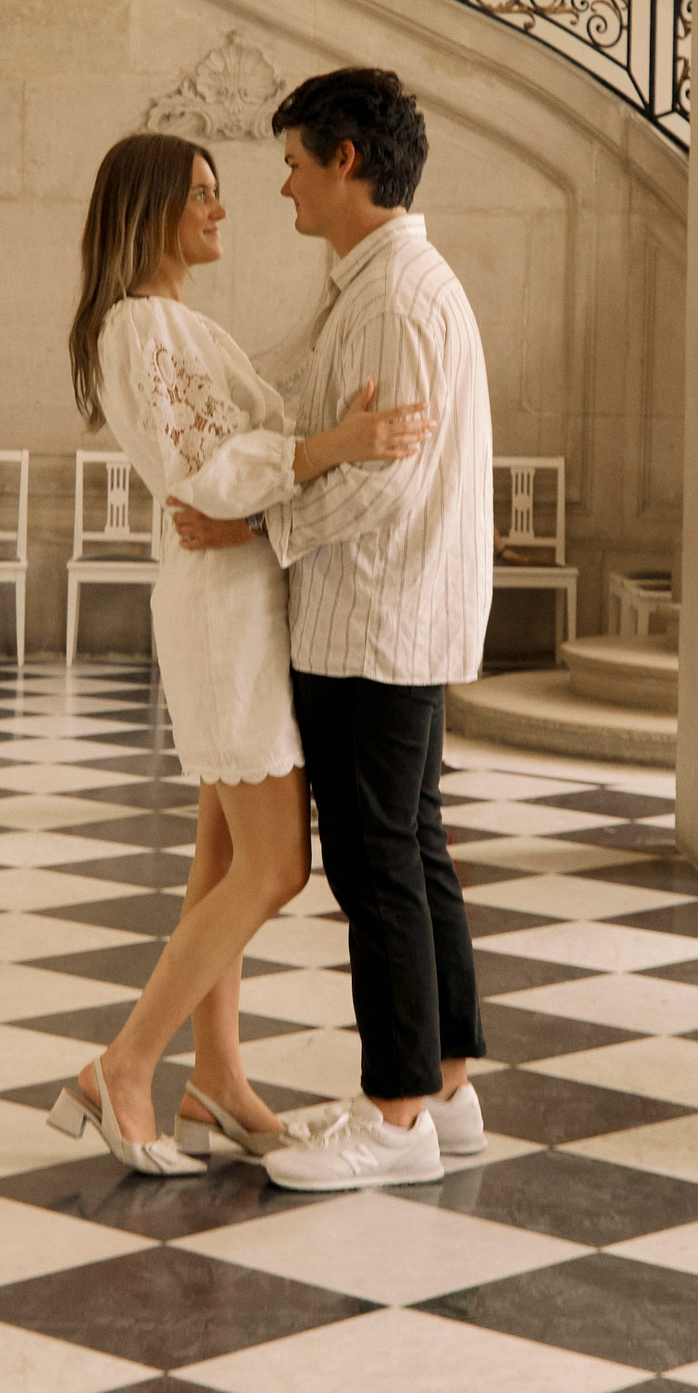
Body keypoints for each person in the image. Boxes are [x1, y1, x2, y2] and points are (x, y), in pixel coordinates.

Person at [49, 129, 428, 1177]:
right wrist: (336, 447)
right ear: (151, 209)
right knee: (277, 865)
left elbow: (246, 446)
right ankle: (124, 1068)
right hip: (223, 616)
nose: (222, 210)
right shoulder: (137, 327)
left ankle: (217, 1077)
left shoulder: (181, 323)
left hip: (248, 598)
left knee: (221, 860)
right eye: (203, 194)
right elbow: (203, 473)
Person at [172, 68, 493, 1189]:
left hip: (372, 620)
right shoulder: (375, 282)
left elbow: (382, 483)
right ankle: (444, 1087)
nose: (284, 189)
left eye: (295, 165)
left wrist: (253, 520)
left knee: (376, 869)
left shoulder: (395, 297)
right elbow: (310, 403)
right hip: (390, 614)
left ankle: (395, 1119)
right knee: (414, 849)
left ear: (345, 160)